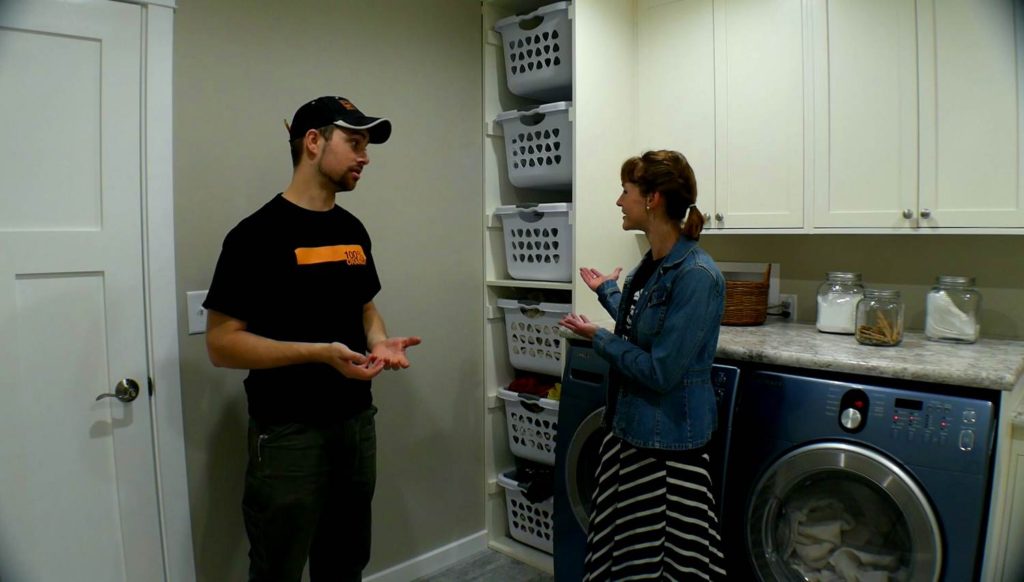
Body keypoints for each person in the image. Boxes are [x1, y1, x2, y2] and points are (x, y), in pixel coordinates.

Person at [203, 95, 421, 582]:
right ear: (313, 142)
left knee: (345, 563)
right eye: (355, 142)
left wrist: (379, 340)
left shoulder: (351, 230)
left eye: (368, 145)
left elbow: (365, 306)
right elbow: (221, 344)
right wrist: (320, 354)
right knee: (277, 568)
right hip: (288, 435)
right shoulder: (254, 236)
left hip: (356, 425)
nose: (365, 156)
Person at [559, 150, 727, 581]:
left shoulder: (696, 275)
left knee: (665, 568)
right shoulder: (649, 266)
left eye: (625, 192)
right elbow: (641, 328)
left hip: (669, 450)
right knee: (627, 562)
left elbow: (659, 372)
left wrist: (600, 338)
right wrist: (608, 293)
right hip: (630, 433)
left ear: (651, 199)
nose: (619, 201)